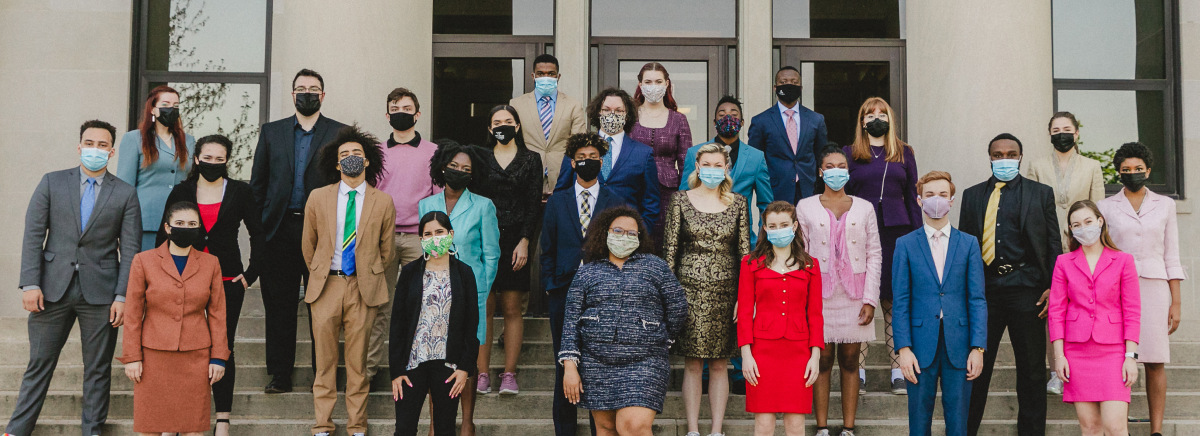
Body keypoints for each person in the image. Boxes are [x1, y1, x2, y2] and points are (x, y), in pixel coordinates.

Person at [8, 120, 141, 436]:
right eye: (89, 143)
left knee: (97, 370)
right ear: (79, 146)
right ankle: (17, 430)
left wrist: (123, 296)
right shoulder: (52, 182)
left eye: (102, 144)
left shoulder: (124, 193)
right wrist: (30, 283)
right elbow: (33, 235)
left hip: (102, 295)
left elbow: (132, 250)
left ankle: (91, 431)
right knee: (39, 365)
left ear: (110, 152)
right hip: (50, 290)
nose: (95, 149)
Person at [155, 134, 264, 436]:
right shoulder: (182, 190)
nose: (213, 163)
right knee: (181, 347)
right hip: (184, 279)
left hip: (228, 279)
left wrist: (251, 273)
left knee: (223, 346)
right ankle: (178, 417)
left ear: (227, 160)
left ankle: (223, 420)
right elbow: (163, 237)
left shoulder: (240, 191)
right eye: (208, 157)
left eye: (220, 158)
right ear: (197, 158)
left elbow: (259, 233)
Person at [250, 68, 347, 394]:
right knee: (279, 307)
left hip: (322, 234)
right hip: (278, 231)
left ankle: (325, 374)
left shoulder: (339, 133)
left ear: (323, 94)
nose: (307, 93)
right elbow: (258, 185)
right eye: (301, 88)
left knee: (323, 307)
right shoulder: (271, 132)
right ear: (292, 95)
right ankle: (279, 375)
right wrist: (259, 230)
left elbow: (347, 185)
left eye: (314, 88)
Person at [960, 133, 1059, 436]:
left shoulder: (1040, 193)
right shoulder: (972, 195)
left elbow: (1054, 242)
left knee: (1031, 370)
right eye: (998, 154)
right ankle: (965, 429)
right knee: (975, 368)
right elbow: (966, 246)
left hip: (1027, 289)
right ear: (989, 157)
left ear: (1020, 156)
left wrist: (1054, 285)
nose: (1004, 159)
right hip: (985, 291)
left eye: (1010, 154)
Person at [301, 126, 396, 436]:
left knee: (358, 365)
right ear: (336, 163)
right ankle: (322, 425)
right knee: (325, 363)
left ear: (367, 161)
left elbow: (387, 251)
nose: (351, 158)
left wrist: (364, 274)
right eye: (344, 155)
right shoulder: (318, 197)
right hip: (326, 286)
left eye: (357, 154)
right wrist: (322, 273)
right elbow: (309, 245)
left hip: (362, 288)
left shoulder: (383, 201)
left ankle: (357, 426)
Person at [560, 206, 688, 436]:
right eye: (618, 231)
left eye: (632, 233)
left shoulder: (655, 266)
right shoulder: (587, 272)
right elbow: (570, 321)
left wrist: (662, 339)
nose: (624, 237)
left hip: (645, 362)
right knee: (606, 429)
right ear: (604, 233)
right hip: (596, 364)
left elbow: (678, 307)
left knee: (634, 426)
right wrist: (570, 366)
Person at [119, 201, 229, 435]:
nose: (185, 228)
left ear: (199, 229)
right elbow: (133, 313)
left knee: (193, 428)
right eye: (179, 223)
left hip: (195, 356)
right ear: (168, 228)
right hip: (153, 357)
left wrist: (219, 357)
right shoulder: (143, 261)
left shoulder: (211, 263)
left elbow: (218, 314)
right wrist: (131, 357)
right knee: (152, 426)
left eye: (192, 224)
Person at [1097, 142, 1185, 436]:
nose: (1132, 173)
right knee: (1115, 358)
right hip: (1114, 288)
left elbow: (1171, 254)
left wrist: (1176, 302)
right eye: (1126, 170)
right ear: (1118, 172)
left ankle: (1156, 430)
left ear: (1148, 170)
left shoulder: (1166, 205)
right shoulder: (1105, 207)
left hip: (1154, 287)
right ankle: (1117, 426)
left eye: (1138, 169)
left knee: (1155, 360)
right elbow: (1101, 250)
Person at [540, 133, 625, 436]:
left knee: (597, 365)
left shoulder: (615, 201)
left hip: (602, 293)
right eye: (581, 157)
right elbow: (546, 247)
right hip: (563, 290)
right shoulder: (558, 201)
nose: (587, 161)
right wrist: (551, 285)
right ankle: (565, 430)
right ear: (572, 162)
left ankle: (597, 430)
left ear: (601, 162)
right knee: (564, 363)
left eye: (593, 157)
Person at [663, 143, 750, 436]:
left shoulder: (737, 203)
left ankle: (715, 430)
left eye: (718, 165)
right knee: (692, 363)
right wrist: (669, 297)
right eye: (707, 165)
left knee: (720, 363)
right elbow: (670, 251)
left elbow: (744, 254)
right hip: (687, 292)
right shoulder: (680, 200)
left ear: (726, 169)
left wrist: (743, 296)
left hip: (726, 294)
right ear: (697, 168)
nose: (712, 170)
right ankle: (692, 430)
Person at [892, 170, 987, 436]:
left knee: (958, 422)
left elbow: (977, 298)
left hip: (960, 342)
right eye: (930, 194)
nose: (937, 200)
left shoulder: (968, 244)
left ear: (952, 200)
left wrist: (978, 348)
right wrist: (903, 348)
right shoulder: (905, 244)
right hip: (919, 345)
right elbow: (900, 301)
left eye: (943, 195)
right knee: (919, 421)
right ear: (919, 200)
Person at [418, 140, 500, 436]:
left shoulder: (483, 206)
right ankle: (435, 423)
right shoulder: (426, 206)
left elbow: (491, 254)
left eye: (466, 168)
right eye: (454, 166)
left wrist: (480, 289)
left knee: (466, 360)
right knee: (434, 361)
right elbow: (424, 248)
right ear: (442, 167)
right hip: (435, 294)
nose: (459, 171)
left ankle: (467, 422)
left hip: (471, 295)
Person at [797, 147, 881, 436]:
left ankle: (847, 427)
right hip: (818, 295)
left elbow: (875, 254)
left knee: (849, 359)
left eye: (841, 165)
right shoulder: (805, 206)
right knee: (821, 359)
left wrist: (870, 299)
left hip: (854, 295)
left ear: (848, 170)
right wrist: (803, 300)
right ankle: (821, 427)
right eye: (829, 165)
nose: (835, 170)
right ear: (821, 172)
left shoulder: (864, 207)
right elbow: (800, 255)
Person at [841, 97, 920, 394]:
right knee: (863, 300)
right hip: (859, 234)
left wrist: (918, 239)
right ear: (862, 121)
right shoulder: (850, 154)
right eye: (870, 114)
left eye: (882, 113)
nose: (877, 118)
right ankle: (857, 370)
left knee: (893, 301)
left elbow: (913, 197)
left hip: (896, 233)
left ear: (890, 119)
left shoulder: (905, 152)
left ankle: (898, 369)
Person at [1025, 112, 1105, 395]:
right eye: (1056, 129)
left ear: (1077, 133)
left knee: (1081, 305)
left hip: (1081, 242)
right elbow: (1030, 205)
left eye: (1067, 129)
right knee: (1053, 309)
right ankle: (1055, 370)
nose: (1062, 133)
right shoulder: (1036, 165)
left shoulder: (1093, 166)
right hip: (1046, 245)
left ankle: (1084, 366)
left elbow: (1098, 207)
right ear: (1049, 134)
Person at [1048, 200, 1141, 436]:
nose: (1083, 228)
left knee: (1115, 427)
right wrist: (1059, 357)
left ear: (1100, 222)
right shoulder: (1063, 262)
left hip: (1113, 352)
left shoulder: (1123, 261)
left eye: (1088, 221)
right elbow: (1056, 311)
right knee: (1090, 427)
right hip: (1076, 352)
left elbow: (1132, 311)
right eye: (1076, 225)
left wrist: (1131, 356)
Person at [370, 87, 444, 383]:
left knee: (425, 303)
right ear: (387, 114)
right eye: (396, 107)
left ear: (418, 113)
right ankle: (370, 371)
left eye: (407, 107)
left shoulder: (433, 152)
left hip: (419, 239)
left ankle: (423, 366)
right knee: (378, 307)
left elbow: (438, 197)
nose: (402, 111)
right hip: (383, 238)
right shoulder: (375, 152)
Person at [389, 211, 480, 436]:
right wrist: (396, 371)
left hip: (448, 366)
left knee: (444, 429)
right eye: (428, 234)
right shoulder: (410, 273)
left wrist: (465, 369)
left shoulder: (464, 273)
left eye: (439, 232)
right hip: (412, 364)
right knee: (404, 429)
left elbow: (472, 325)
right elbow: (397, 324)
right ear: (421, 240)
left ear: (451, 234)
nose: (434, 238)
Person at [736, 201, 823, 436]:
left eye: (784, 224)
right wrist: (746, 355)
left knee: (796, 423)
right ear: (765, 228)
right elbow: (744, 312)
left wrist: (815, 357)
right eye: (772, 225)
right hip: (762, 352)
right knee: (763, 423)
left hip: (798, 352)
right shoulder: (750, 264)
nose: (778, 229)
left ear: (794, 226)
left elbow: (815, 315)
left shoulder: (810, 265)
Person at [473, 105, 542, 395]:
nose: (502, 126)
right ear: (490, 129)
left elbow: (533, 203)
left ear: (517, 125)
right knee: (484, 308)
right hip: (483, 241)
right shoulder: (479, 158)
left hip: (516, 241)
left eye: (508, 121)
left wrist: (525, 240)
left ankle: (510, 374)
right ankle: (482, 373)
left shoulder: (531, 159)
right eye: (497, 122)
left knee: (513, 308)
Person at [555, 87, 661, 231]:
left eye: (619, 110)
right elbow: (562, 191)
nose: (612, 114)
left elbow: (651, 202)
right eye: (606, 110)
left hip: (624, 237)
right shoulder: (578, 147)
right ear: (598, 113)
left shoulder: (643, 153)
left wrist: (640, 232)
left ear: (627, 115)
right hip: (582, 232)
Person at [680, 96, 773, 245]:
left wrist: (762, 241)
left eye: (734, 115)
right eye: (722, 115)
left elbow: (766, 204)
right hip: (701, 238)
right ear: (714, 122)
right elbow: (684, 198)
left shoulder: (756, 157)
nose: (728, 118)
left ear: (742, 122)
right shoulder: (694, 153)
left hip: (743, 239)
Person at [116, 85, 196, 251]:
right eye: (165, 105)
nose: (171, 110)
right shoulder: (134, 139)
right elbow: (125, 186)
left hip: (181, 221)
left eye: (175, 106)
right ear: (153, 109)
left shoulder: (188, 141)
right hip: (146, 221)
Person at [630, 62, 693, 247]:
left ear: (667, 84)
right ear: (640, 85)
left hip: (668, 193)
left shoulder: (679, 119)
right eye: (648, 81)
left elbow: (685, 162)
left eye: (658, 81)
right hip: (635, 189)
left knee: (665, 243)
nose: (653, 86)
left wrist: (684, 198)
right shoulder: (630, 117)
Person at [509, 53, 589, 197]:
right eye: (541, 74)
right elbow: (512, 142)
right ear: (533, 76)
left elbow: (579, 142)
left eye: (551, 74)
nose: (546, 77)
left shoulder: (573, 105)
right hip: (526, 174)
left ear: (558, 77)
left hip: (562, 176)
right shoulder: (516, 104)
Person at [747, 66, 829, 204]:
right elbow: (755, 160)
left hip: (809, 189)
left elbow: (822, 155)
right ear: (775, 87)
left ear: (801, 87)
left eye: (794, 82)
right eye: (783, 82)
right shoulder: (761, 121)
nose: (789, 85)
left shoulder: (816, 119)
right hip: (774, 191)